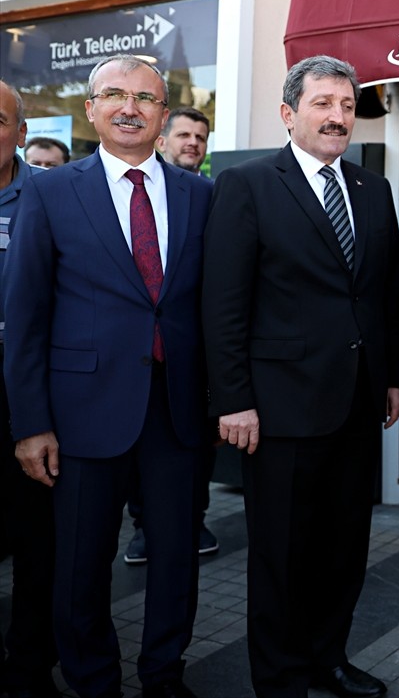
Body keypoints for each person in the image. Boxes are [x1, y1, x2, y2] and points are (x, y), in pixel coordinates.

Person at [4, 55, 212, 698]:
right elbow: (26, 315)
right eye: (114, 95)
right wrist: (31, 423)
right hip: (81, 412)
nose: (130, 107)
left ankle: (164, 675)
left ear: (163, 113)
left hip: (178, 411)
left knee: (176, 558)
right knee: (79, 564)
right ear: (91, 110)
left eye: (145, 98)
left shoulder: (201, 193)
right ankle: (94, 681)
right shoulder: (50, 190)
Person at [203, 55, 399, 698]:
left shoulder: (373, 189)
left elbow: (384, 295)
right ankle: (282, 677)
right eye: (323, 104)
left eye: (346, 105)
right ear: (289, 114)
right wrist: (233, 398)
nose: (338, 117)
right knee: (281, 555)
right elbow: (224, 302)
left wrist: (393, 377)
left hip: (357, 401)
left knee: (344, 547)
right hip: (279, 407)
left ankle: (330, 659)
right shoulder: (249, 185)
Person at [126, 105, 217, 564]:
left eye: (201, 137)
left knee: (190, 456)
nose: (193, 144)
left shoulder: (211, 197)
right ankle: (142, 527)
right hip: (125, 364)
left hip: (189, 361)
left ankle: (191, 521)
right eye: (184, 134)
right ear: (161, 138)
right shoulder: (119, 193)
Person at [0, 80, 58, 698]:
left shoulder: (49, 195)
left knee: (39, 546)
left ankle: (29, 670)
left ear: (20, 131)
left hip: (31, 399)